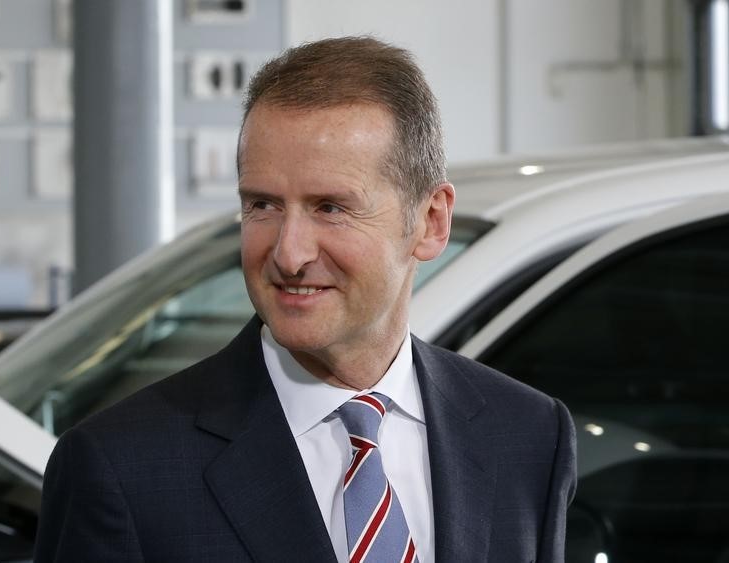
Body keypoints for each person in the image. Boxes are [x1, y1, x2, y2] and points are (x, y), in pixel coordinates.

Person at [34, 36, 576, 562]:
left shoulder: (529, 435)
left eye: (330, 208)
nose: (289, 254)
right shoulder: (121, 467)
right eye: (263, 205)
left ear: (431, 222)